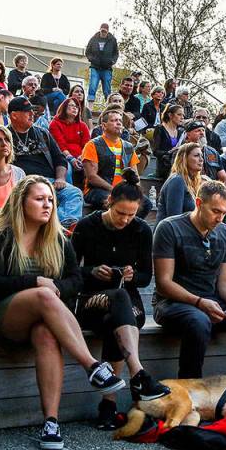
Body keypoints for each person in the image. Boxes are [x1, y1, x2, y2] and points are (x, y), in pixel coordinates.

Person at [0, 176, 126, 450]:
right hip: (6, 316)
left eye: (50, 200)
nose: (47, 205)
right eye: (39, 199)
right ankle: (92, 366)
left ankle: (51, 422)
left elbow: (76, 281)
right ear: (20, 202)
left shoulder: (57, 238)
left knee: (46, 334)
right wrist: (35, 283)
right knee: (44, 294)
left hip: (43, 319)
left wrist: (52, 286)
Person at [72, 180, 171, 429]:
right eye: (120, 213)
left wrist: (130, 275)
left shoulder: (141, 230)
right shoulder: (87, 226)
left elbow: (146, 277)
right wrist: (93, 271)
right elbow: (70, 272)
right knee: (119, 303)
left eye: (131, 214)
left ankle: (109, 404)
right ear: (109, 203)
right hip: (90, 300)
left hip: (125, 302)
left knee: (117, 316)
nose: (125, 220)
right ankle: (138, 374)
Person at [153, 180, 226, 378]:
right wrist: (199, 302)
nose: (220, 218)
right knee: (199, 320)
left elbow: (225, 282)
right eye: (215, 211)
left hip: (212, 302)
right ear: (199, 203)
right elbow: (164, 284)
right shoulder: (169, 228)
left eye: (224, 213)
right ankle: (190, 385)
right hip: (172, 303)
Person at [7, 96, 84, 225]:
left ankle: (60, 227)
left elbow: (60, 159)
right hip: (21, 183)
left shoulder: (42, 133)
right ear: (14, 115)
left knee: (74, 193)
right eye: (27, 111)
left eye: (32, 110)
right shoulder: (4, 135)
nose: (32, 114)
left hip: (49, 181)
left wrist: (60, 178)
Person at [81, 107, 141, 209]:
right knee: (117, 201)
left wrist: (136, 191)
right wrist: (114, 189)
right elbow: (92, 177)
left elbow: (136, 175)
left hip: (123, 189)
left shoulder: (128, 146)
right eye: (113, 120)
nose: (118, 123)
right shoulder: (92, 145)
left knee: (146, 204)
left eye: (120, 121)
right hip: (97, 190)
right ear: (104, 126)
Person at [49, 98, 90, 177]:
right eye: (71, 105)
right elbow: (60, 145)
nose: (75, 108)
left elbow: (86, 145)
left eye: (77, 107)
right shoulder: (55, 124)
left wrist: (81, 157)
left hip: (81, 157)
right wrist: (71, 159)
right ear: (64, 107)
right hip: (63, 157)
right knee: (67, 170)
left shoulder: (83, 125)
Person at [85, 23, 118, 102]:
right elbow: (87, 51)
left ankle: (109, 106)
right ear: (100, 30)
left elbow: (116, 53)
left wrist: (112, 61)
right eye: (102, 31)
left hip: (107, 68)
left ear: (107, 31)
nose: (103, 33)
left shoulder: (112, 40)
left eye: (105, 31)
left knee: (107, 89)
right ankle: (90, 107)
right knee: (92, 86)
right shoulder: (94, 39)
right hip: (95, 67)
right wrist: (91, 59)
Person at [152, 104, 185, 180]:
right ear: (170, 115)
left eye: (183, 115)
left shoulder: (181, 131)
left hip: (178, 163)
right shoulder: (160, 128)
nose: (182, 117)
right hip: (165, 164)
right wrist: (169, 152)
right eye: (179, 114)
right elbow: (156, 151)